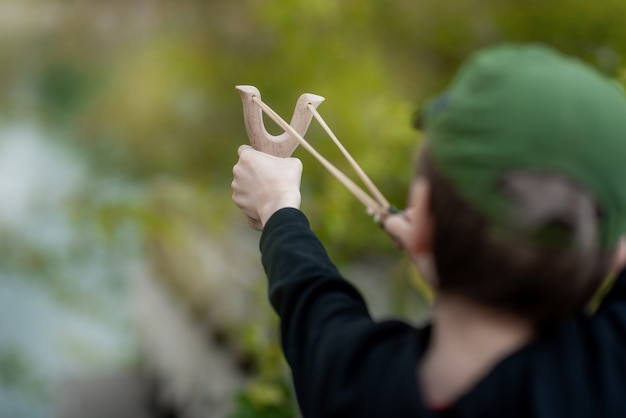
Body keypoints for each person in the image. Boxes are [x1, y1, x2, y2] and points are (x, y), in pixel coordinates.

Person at [231, 44, 626, 417]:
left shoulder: (355, 389)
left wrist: (277, 206)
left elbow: (309, 294)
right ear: (611, 254)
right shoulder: (607, 378)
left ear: (422, 226)